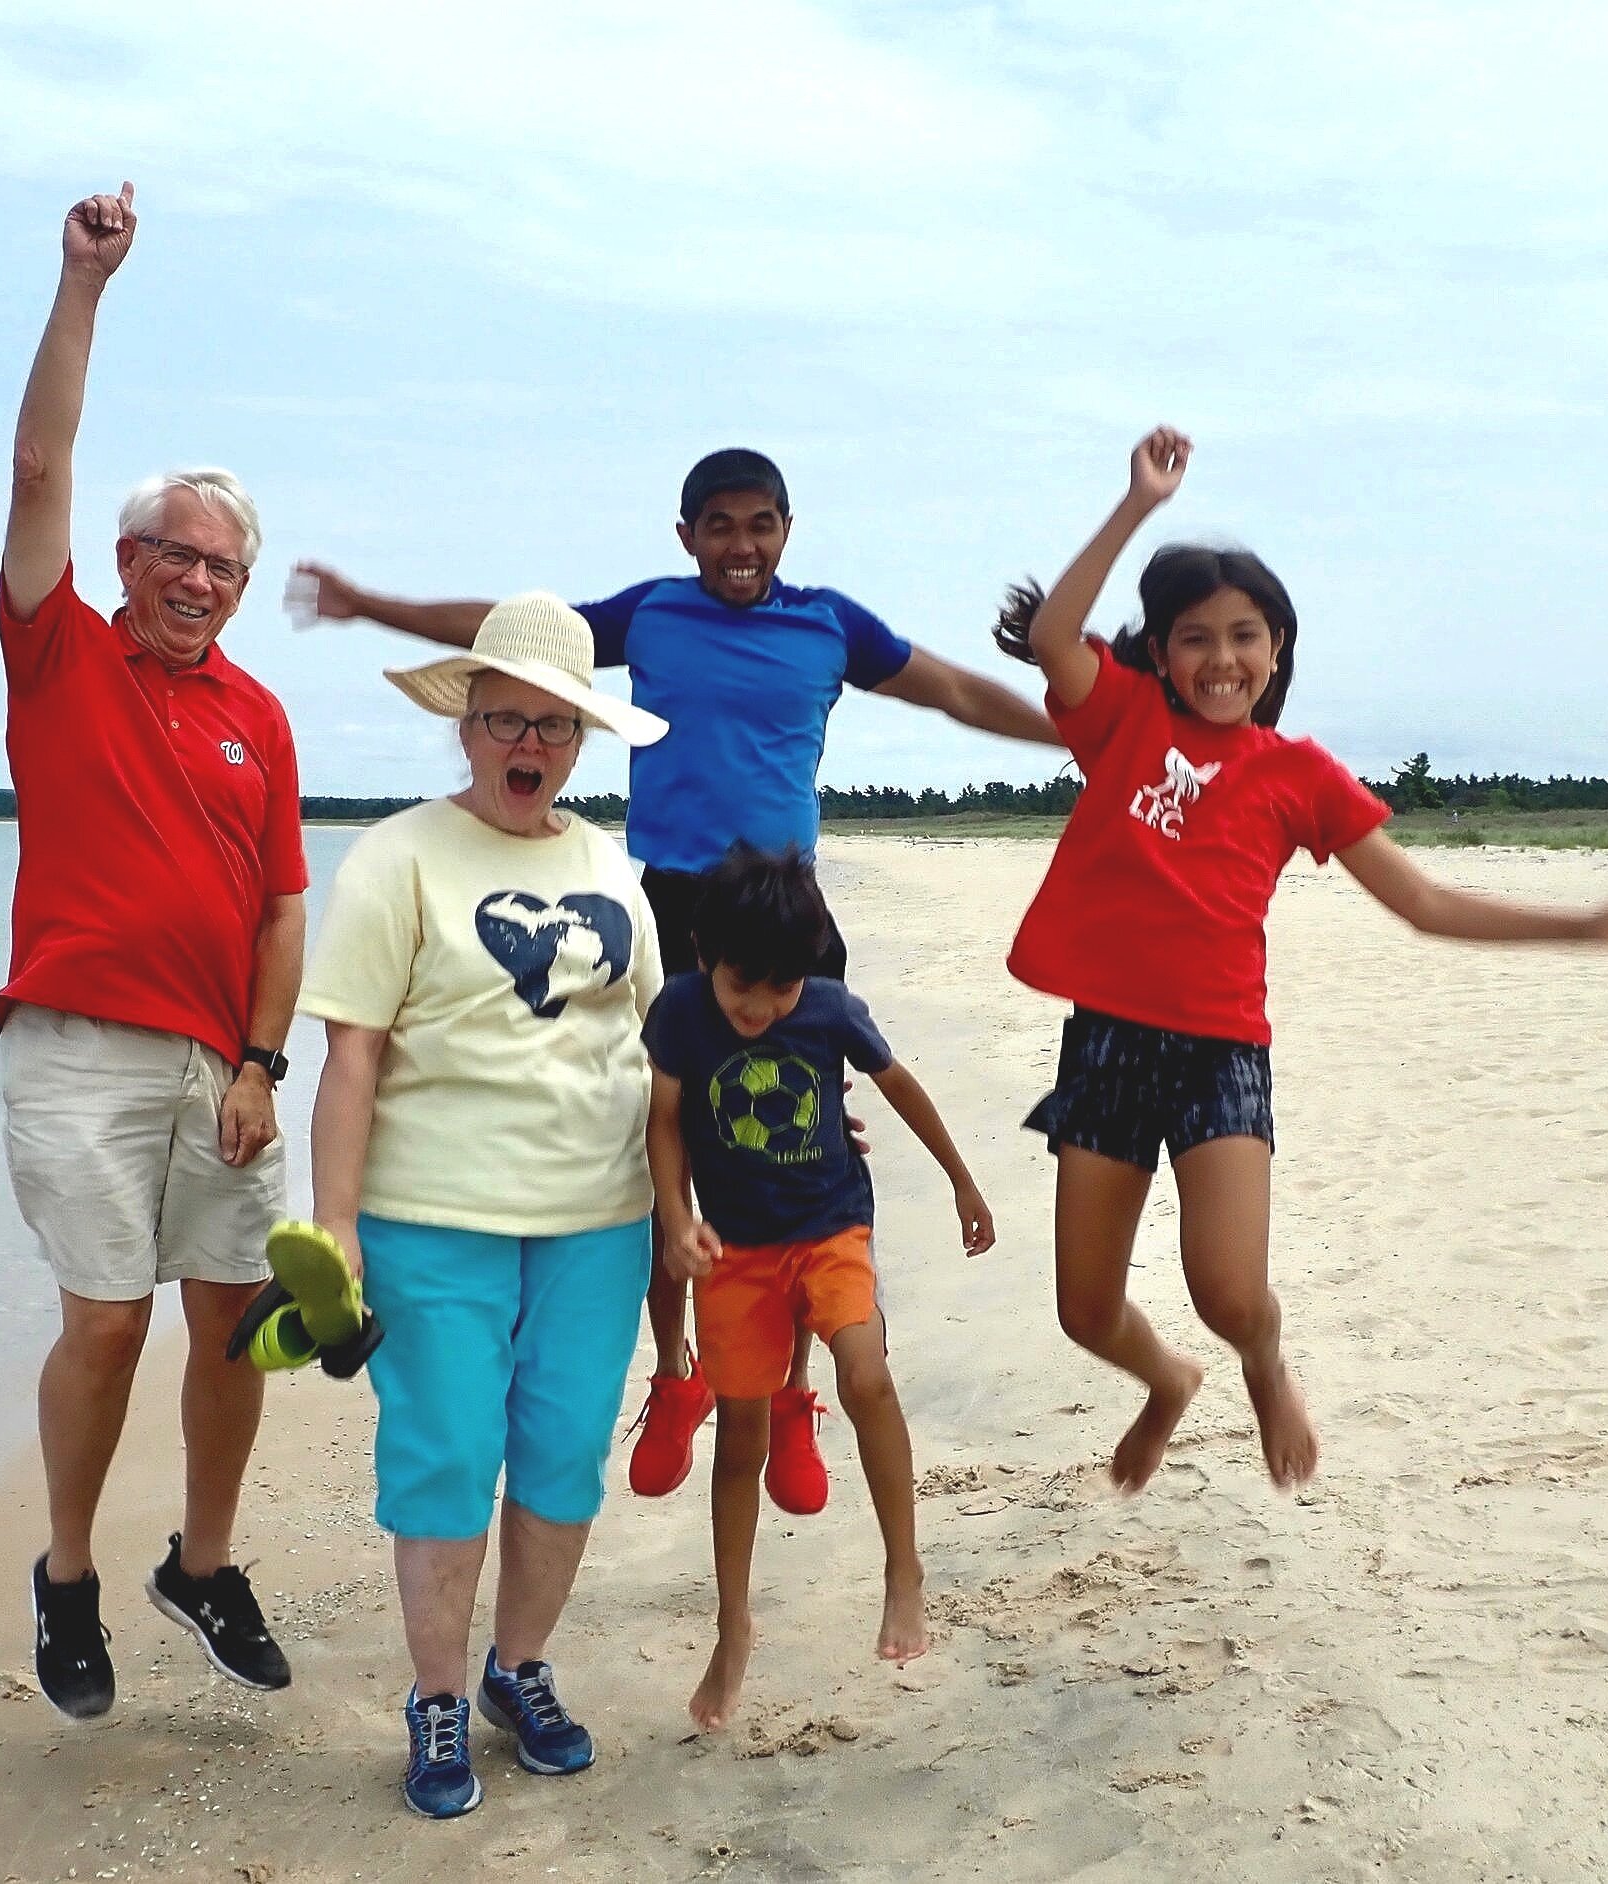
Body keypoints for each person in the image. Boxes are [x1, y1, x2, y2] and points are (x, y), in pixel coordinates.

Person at [289, 449, 1058, 1519]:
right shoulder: (650, 616)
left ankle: (793, 1400)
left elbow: (957, 690)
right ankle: (674, 1372)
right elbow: (511, 632)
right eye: (718, 526)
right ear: (684, 532)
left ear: (787, 528)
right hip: (672, 908)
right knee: (661, 1144)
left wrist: (1079, 732)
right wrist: (371, 603)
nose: (739, 547)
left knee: (790, 1150)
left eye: (759, 525)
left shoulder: (829, 625)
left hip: (788, 921)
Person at [995, 427, 1608, 1494]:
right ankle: (1166, 1383)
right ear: (1160, 652)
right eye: (1193, 637)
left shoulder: (1298, 773)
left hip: (1221, 1047)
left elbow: (1421, 900)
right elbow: (1051, 637)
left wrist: (1583, 924)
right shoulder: (1122, 721)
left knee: (1229, 1292)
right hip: (1108, 1042)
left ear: (1276, 650)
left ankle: (1260, 1367)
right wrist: (1136, 506)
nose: (1219, 659)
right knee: (1083, 1310)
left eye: (1243, 636)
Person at [0, 183, 307, 1717]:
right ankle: (66, 1574)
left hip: (220, 1065)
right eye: (175, 556)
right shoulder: (58, 652)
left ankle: (202, 1561)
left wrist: (262, 1061)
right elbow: (40, 458)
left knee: (231, 1321)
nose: (197, 582)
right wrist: (82, 288)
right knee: (108, 1322)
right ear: (124, 560)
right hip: (75, 1043)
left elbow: (279, 909)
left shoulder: (259, 714)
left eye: (224, 568)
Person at [296, 593, 669, 1819]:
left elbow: (666, 1051)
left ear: (580, 742)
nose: (530, 743)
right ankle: (441, 1692)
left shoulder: (609, 863)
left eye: (555, 726)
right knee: (447, 1458)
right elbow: (350, 1059)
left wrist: (743, 1165)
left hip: (599, 1222)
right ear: (466, 724)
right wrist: (332, 1228)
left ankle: (521, 1671)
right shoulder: (396, 857)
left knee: (561, 1460)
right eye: (505, 718)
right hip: (431, 1219)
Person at [644, 844, 995, 1733]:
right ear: (701, 955)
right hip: (737, 1255)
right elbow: (664, 1121)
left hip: (832, 1229)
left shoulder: (831, 1009)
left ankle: (902, 1571)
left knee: (864, 1371)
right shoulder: (682, 1012)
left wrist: (961, 1179)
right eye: (740, 987)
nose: (759, 1008)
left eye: (782, 988)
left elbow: (900, 1085)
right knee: (739, 1441)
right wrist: (676, 1217)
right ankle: (733, 1627)